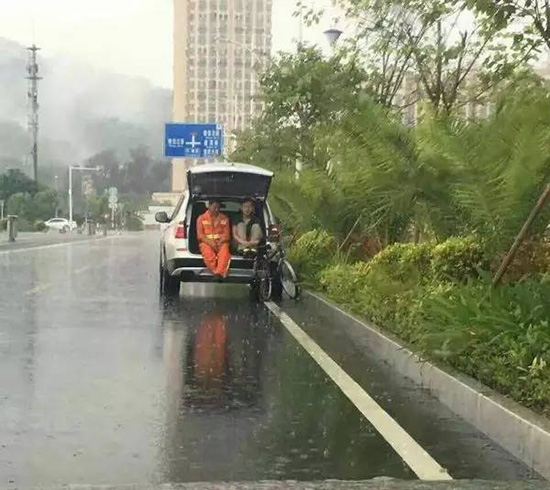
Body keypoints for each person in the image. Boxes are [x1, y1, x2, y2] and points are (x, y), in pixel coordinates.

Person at [197, 200, 231, 277]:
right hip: (206, 243)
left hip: (221, 242)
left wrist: (220, 242)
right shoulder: (201, 218)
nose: (216, 209)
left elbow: (227, 234)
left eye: (218, 207)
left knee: (224, 253)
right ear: (208, 206)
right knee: (208, 254)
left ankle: (219, 272)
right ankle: (215, 271)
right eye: (214, 207)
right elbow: (200, 235)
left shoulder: (225, 218)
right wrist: (210, 242)